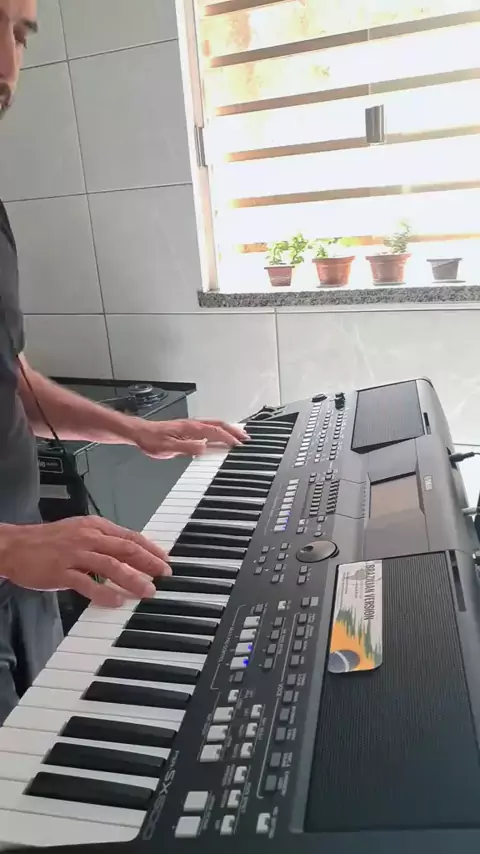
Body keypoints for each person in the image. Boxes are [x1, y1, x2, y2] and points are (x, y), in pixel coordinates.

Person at [0, 0, 247, 724]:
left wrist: (133, 431)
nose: (8, 65)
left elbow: (11, 377)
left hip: (25, 577)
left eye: (19, 33)